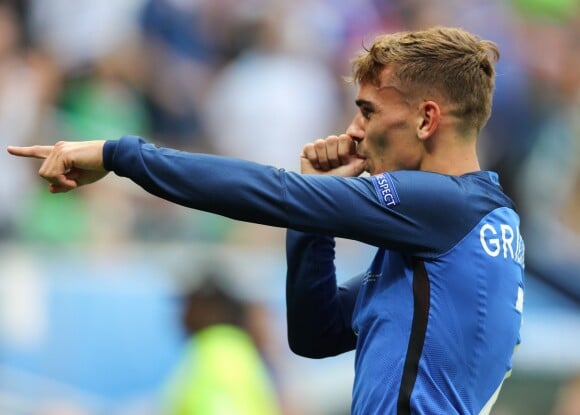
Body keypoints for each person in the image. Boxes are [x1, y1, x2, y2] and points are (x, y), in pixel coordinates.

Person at [7, 26, 525, 414]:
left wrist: (119, 154)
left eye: (367, 111)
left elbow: (271, 194)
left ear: (426, 118)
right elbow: (315, 333)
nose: (353, 130)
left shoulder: (444, 207)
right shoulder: (466, 228)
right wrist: (315, 206)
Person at [162, 274, 282, 415]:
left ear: (207, 308)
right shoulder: (235, 351)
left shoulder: (220, 353)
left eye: (189, 303)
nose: (181, 315)